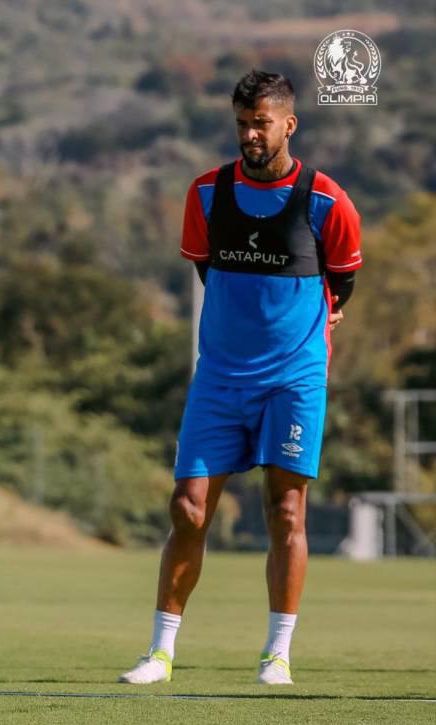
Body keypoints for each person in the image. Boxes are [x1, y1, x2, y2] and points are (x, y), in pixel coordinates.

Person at [119, 71, 362, 686]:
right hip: (220, 378)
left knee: (286, 511)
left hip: (294, 380)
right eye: (241, 123)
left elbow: (342, 282)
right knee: (188, 507)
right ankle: (160, 653)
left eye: (261, 123)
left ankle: (277, 653)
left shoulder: (327, 199)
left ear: (289, 124)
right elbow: (207, 270)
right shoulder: (206, 192)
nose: (250, 134)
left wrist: (311, 319)